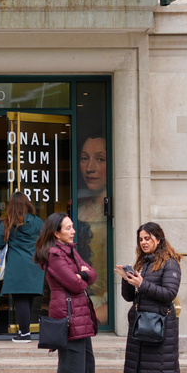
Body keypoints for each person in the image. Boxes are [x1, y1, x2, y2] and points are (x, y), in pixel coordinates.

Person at [34, 212, 113, 373]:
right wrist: (81, 276)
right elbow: (75, 285)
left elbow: (93, 274)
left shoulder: (70, 251)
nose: (73, 231)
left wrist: (83, 275)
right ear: (56, 233)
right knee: (71, 371)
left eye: (72, 227)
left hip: (80, 316)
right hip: (69, 317)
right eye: (68, 228)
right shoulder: (54, 255)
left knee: (86, 369)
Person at [115, 222, 182, 373]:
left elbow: (168, 294)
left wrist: (142, 284)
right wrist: (128, 281)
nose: (144, 242)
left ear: (159, 239)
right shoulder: (142, 263)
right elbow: (129, 297)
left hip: (161, 326)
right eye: (141, 239)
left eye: (148, 238)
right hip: (141, 325)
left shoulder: (170, 264)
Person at [0, 191, 44, 342]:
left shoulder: (7, 223)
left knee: (20, 298)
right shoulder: (37, 222)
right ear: (27, 204)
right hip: (34, 264)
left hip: (16, 265)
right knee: (28, 298)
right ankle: (25, 330)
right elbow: (46, 240)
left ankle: (25, 333)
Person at [76, 134, 109, 323]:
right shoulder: (79, 210)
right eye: (84, 158)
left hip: (101, 303)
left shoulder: (113, 212)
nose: (90, 168)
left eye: (100, 159)